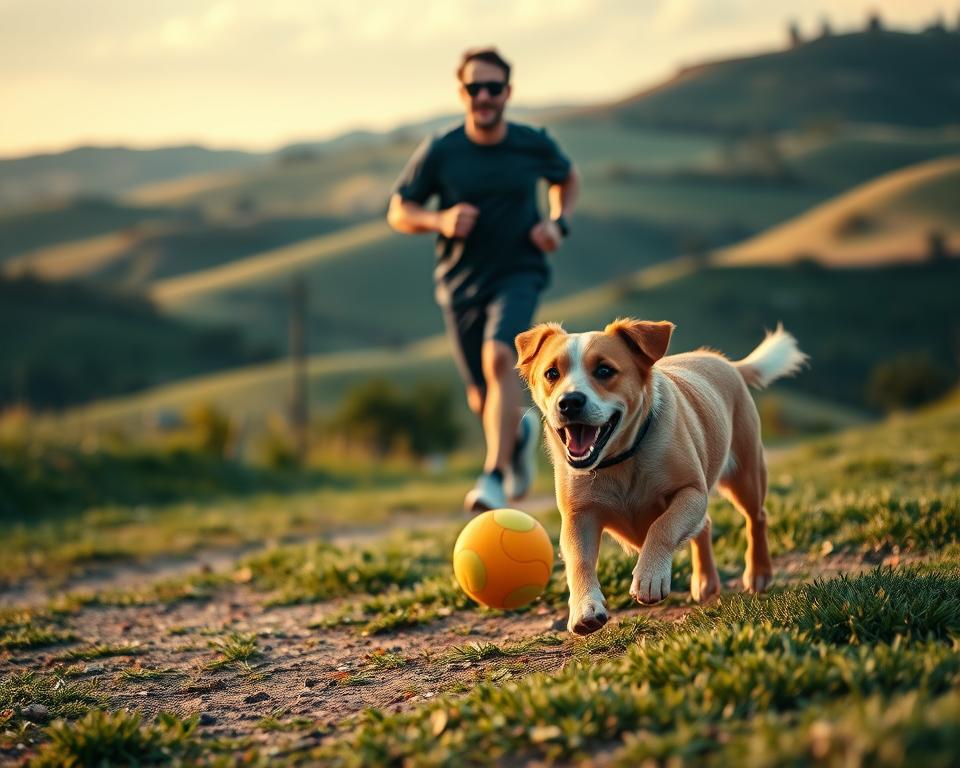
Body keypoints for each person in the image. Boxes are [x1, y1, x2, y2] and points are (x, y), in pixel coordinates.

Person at [387, 47, 580, 512]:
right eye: (476, 88)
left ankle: (492, 476)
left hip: (519, 272)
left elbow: (567, 180)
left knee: (499, 358)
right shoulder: (441, 150)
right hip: (460, 285)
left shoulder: (532, 142)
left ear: (508, 92)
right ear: (463, 93)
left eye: (494, 87)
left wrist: (557, 223)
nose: (485, 96)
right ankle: (518, 438)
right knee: (481, 395)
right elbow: (399, 209)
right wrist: (441, 220)